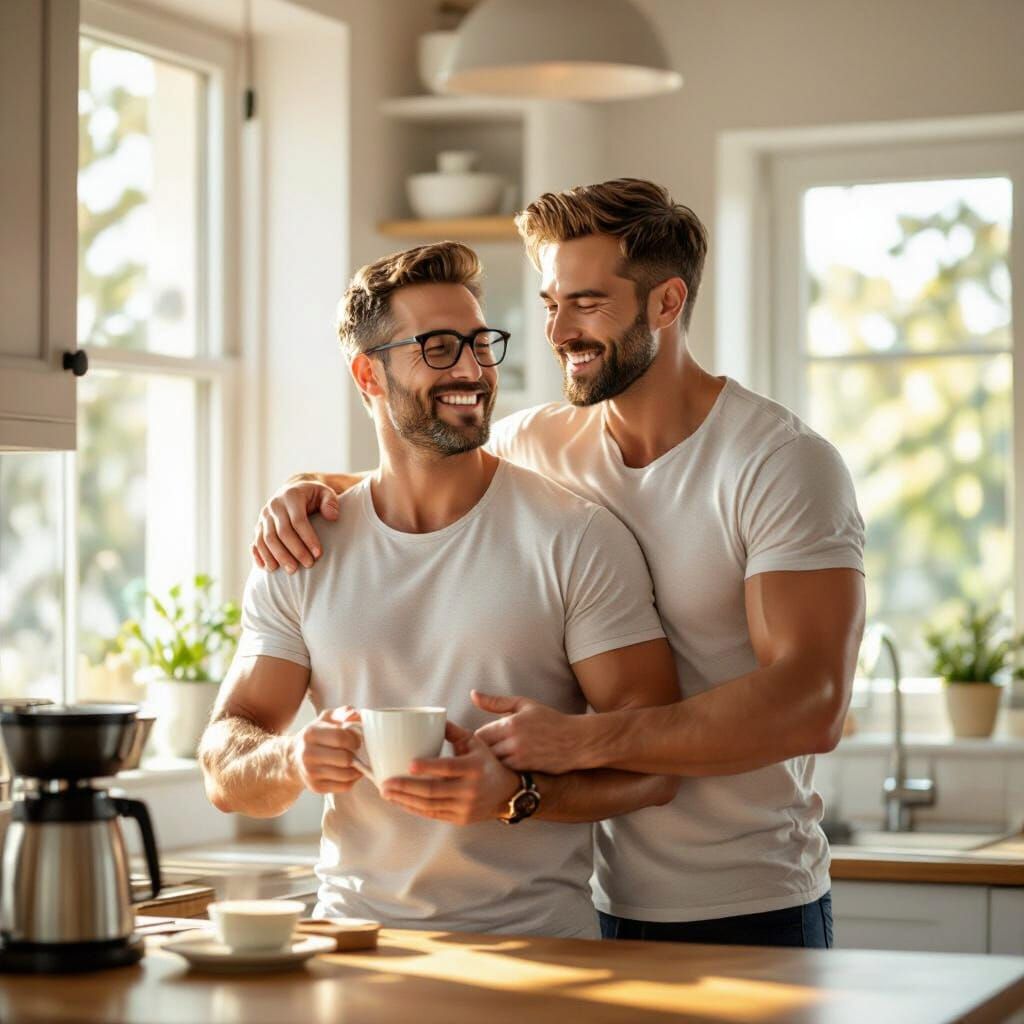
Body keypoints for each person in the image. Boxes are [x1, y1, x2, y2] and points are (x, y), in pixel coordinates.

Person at [251, 179, 866, 949]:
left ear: (667, 304)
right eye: (548, 304)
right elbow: (424, 467)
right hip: (585, 896)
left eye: (586, 302)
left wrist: (583, 742)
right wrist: (306, 490)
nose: (559, 331)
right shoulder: (544, 440)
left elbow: (813, 705)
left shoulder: (777, 464)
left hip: (743, 897)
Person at [200, 240, 680, 939]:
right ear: (368, 374)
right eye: (439, 347)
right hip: (354, 945)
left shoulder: (574, 538)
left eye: (481, 344)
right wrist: (293, 758)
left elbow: (657, 768)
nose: (474, 369)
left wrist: (516, 796)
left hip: (538, 952)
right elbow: (224, 764)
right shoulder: (303, 549)